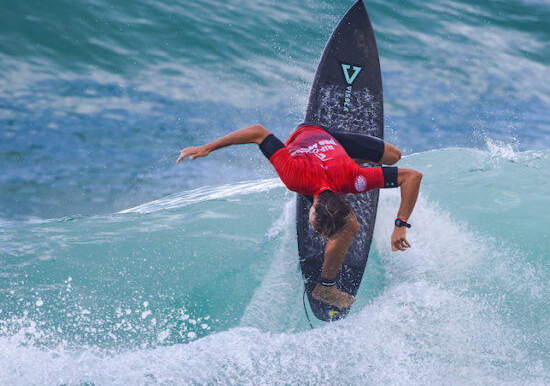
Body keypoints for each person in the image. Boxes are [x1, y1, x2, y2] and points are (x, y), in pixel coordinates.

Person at [177, 124, 422, 309]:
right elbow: (258, 133)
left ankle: (345, 156)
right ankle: (325, 288)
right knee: (351, 228)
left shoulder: (354, 178)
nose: (314, 230)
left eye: (316, 229)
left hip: (331, 146)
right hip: (309, 135)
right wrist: (208, 147)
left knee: (394, 155)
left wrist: (401, 224)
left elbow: (412, 176)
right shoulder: (294, 176)